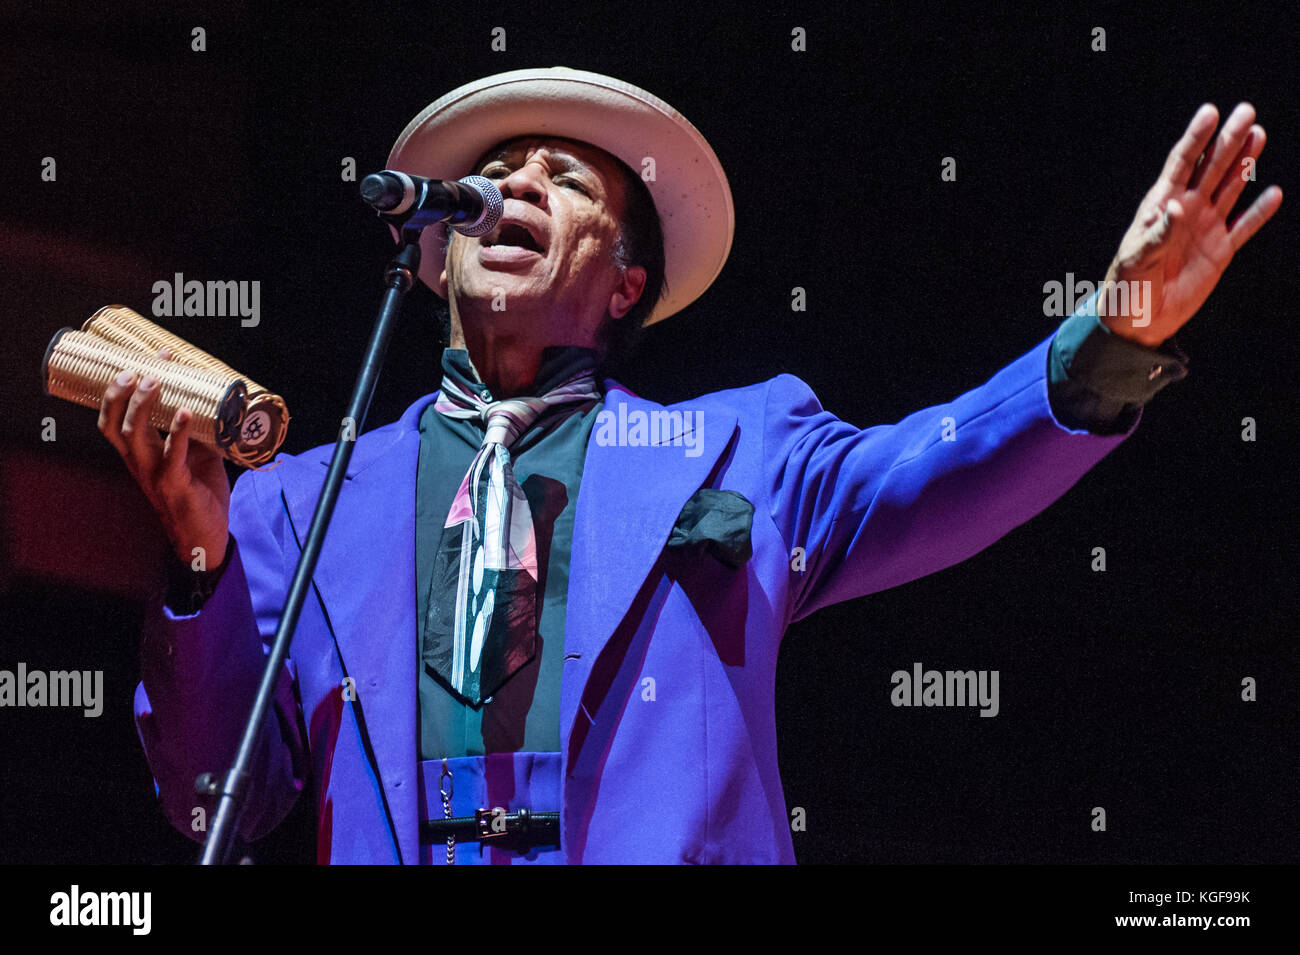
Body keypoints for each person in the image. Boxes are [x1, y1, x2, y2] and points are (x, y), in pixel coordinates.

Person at [99, 68, 1281, 864]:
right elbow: (216, 800)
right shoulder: (300, 502)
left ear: (624, 285)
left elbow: (946, 468)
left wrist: (1115, 330)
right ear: (433, 257)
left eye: (566, 183)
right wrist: (201, 563)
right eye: (497, 176)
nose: (515, 186)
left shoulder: (743, 446)